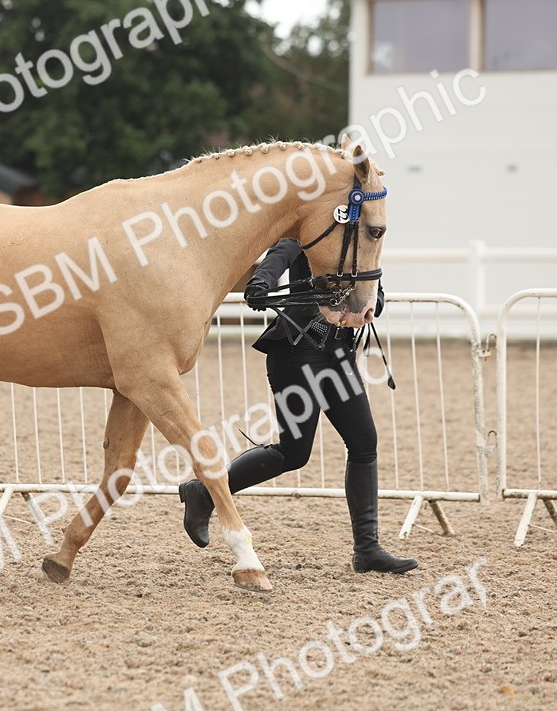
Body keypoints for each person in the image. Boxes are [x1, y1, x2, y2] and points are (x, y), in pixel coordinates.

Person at [177, 237, 418, 573]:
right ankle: (204, 492)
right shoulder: (314, 227)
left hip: (338, 354)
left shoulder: (357, 238)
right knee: (294, 452)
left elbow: (371, 283)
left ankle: (367, 550)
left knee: (365, 444)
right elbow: (283, 251)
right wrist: (261, 281)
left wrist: (373, 302)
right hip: (297, 351)